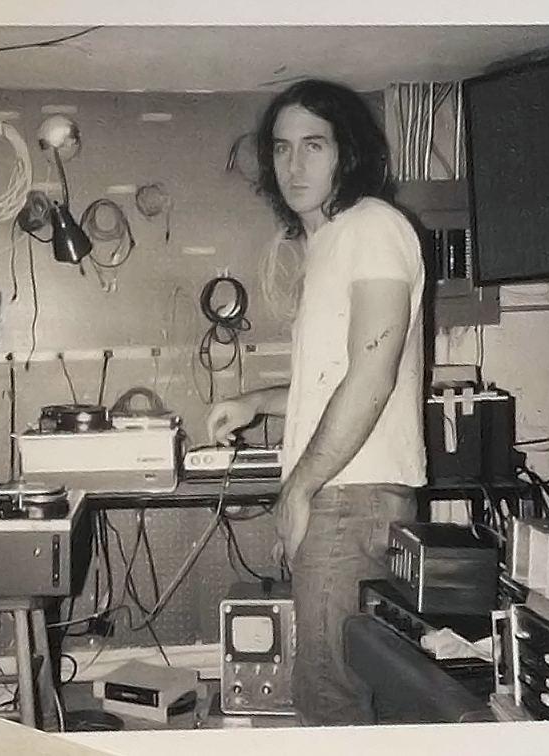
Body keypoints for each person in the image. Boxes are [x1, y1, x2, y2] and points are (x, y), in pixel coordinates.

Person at [207, 79, 427, 726]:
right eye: (281, 149)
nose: (293, 165)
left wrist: (298, 490)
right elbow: (337, 377)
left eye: (313, 146)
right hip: (338, 489)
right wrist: (256, 403)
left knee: (327, 696)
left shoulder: (373, 227)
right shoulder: (331, 242)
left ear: (346, 153)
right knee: (331, 687)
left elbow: (371, 376)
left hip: (347, 494)